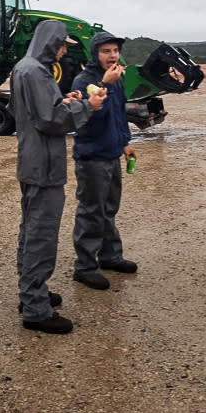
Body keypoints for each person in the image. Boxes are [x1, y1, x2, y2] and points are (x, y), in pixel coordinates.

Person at [11, 20, 105, 334]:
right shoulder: (36, 72)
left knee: (31, 230)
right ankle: (36, 309)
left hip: (32, 162)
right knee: (41, 234)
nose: (64, 49)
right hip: (45, 167)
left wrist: (67, 100)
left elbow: (33, 110)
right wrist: (87, 106)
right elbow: (51, 119)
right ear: (51, 41)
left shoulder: (24, 68)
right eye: (63, 44)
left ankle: (31, 294)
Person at [69, 31, 138, 291]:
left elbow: (119, 115)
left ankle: (110, 257)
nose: (112, 56)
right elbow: (87, 117)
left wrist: (125, 143)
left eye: (115, 51)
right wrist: (104, 85)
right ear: (95, 54)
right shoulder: (84, 80)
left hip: (111, 154)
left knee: (109, 209)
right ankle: (85, 267)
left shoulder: (117, 79)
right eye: (106, 51)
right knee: (91, 212)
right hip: (91, 156)